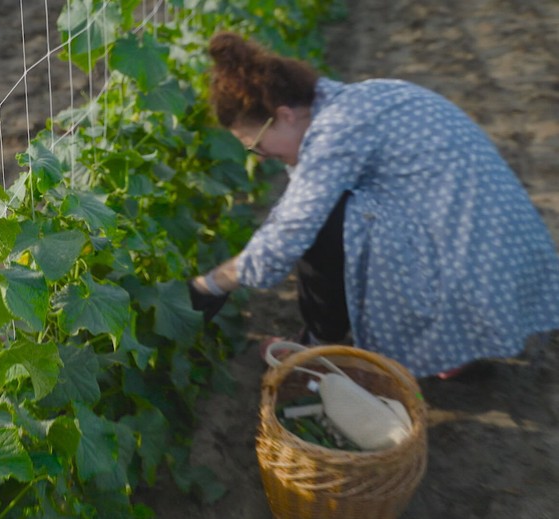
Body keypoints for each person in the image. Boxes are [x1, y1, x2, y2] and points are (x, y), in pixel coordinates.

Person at [187, 32, 559, 379]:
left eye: (257, 145)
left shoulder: (337, 131)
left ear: (283, 115)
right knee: (331, 212)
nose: (261, 157)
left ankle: (319, 350)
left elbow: (289, 233)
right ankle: (458, 343)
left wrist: (211, 285)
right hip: (502, 267)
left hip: (473, 279)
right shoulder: (356, 101)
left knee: (322, 225)